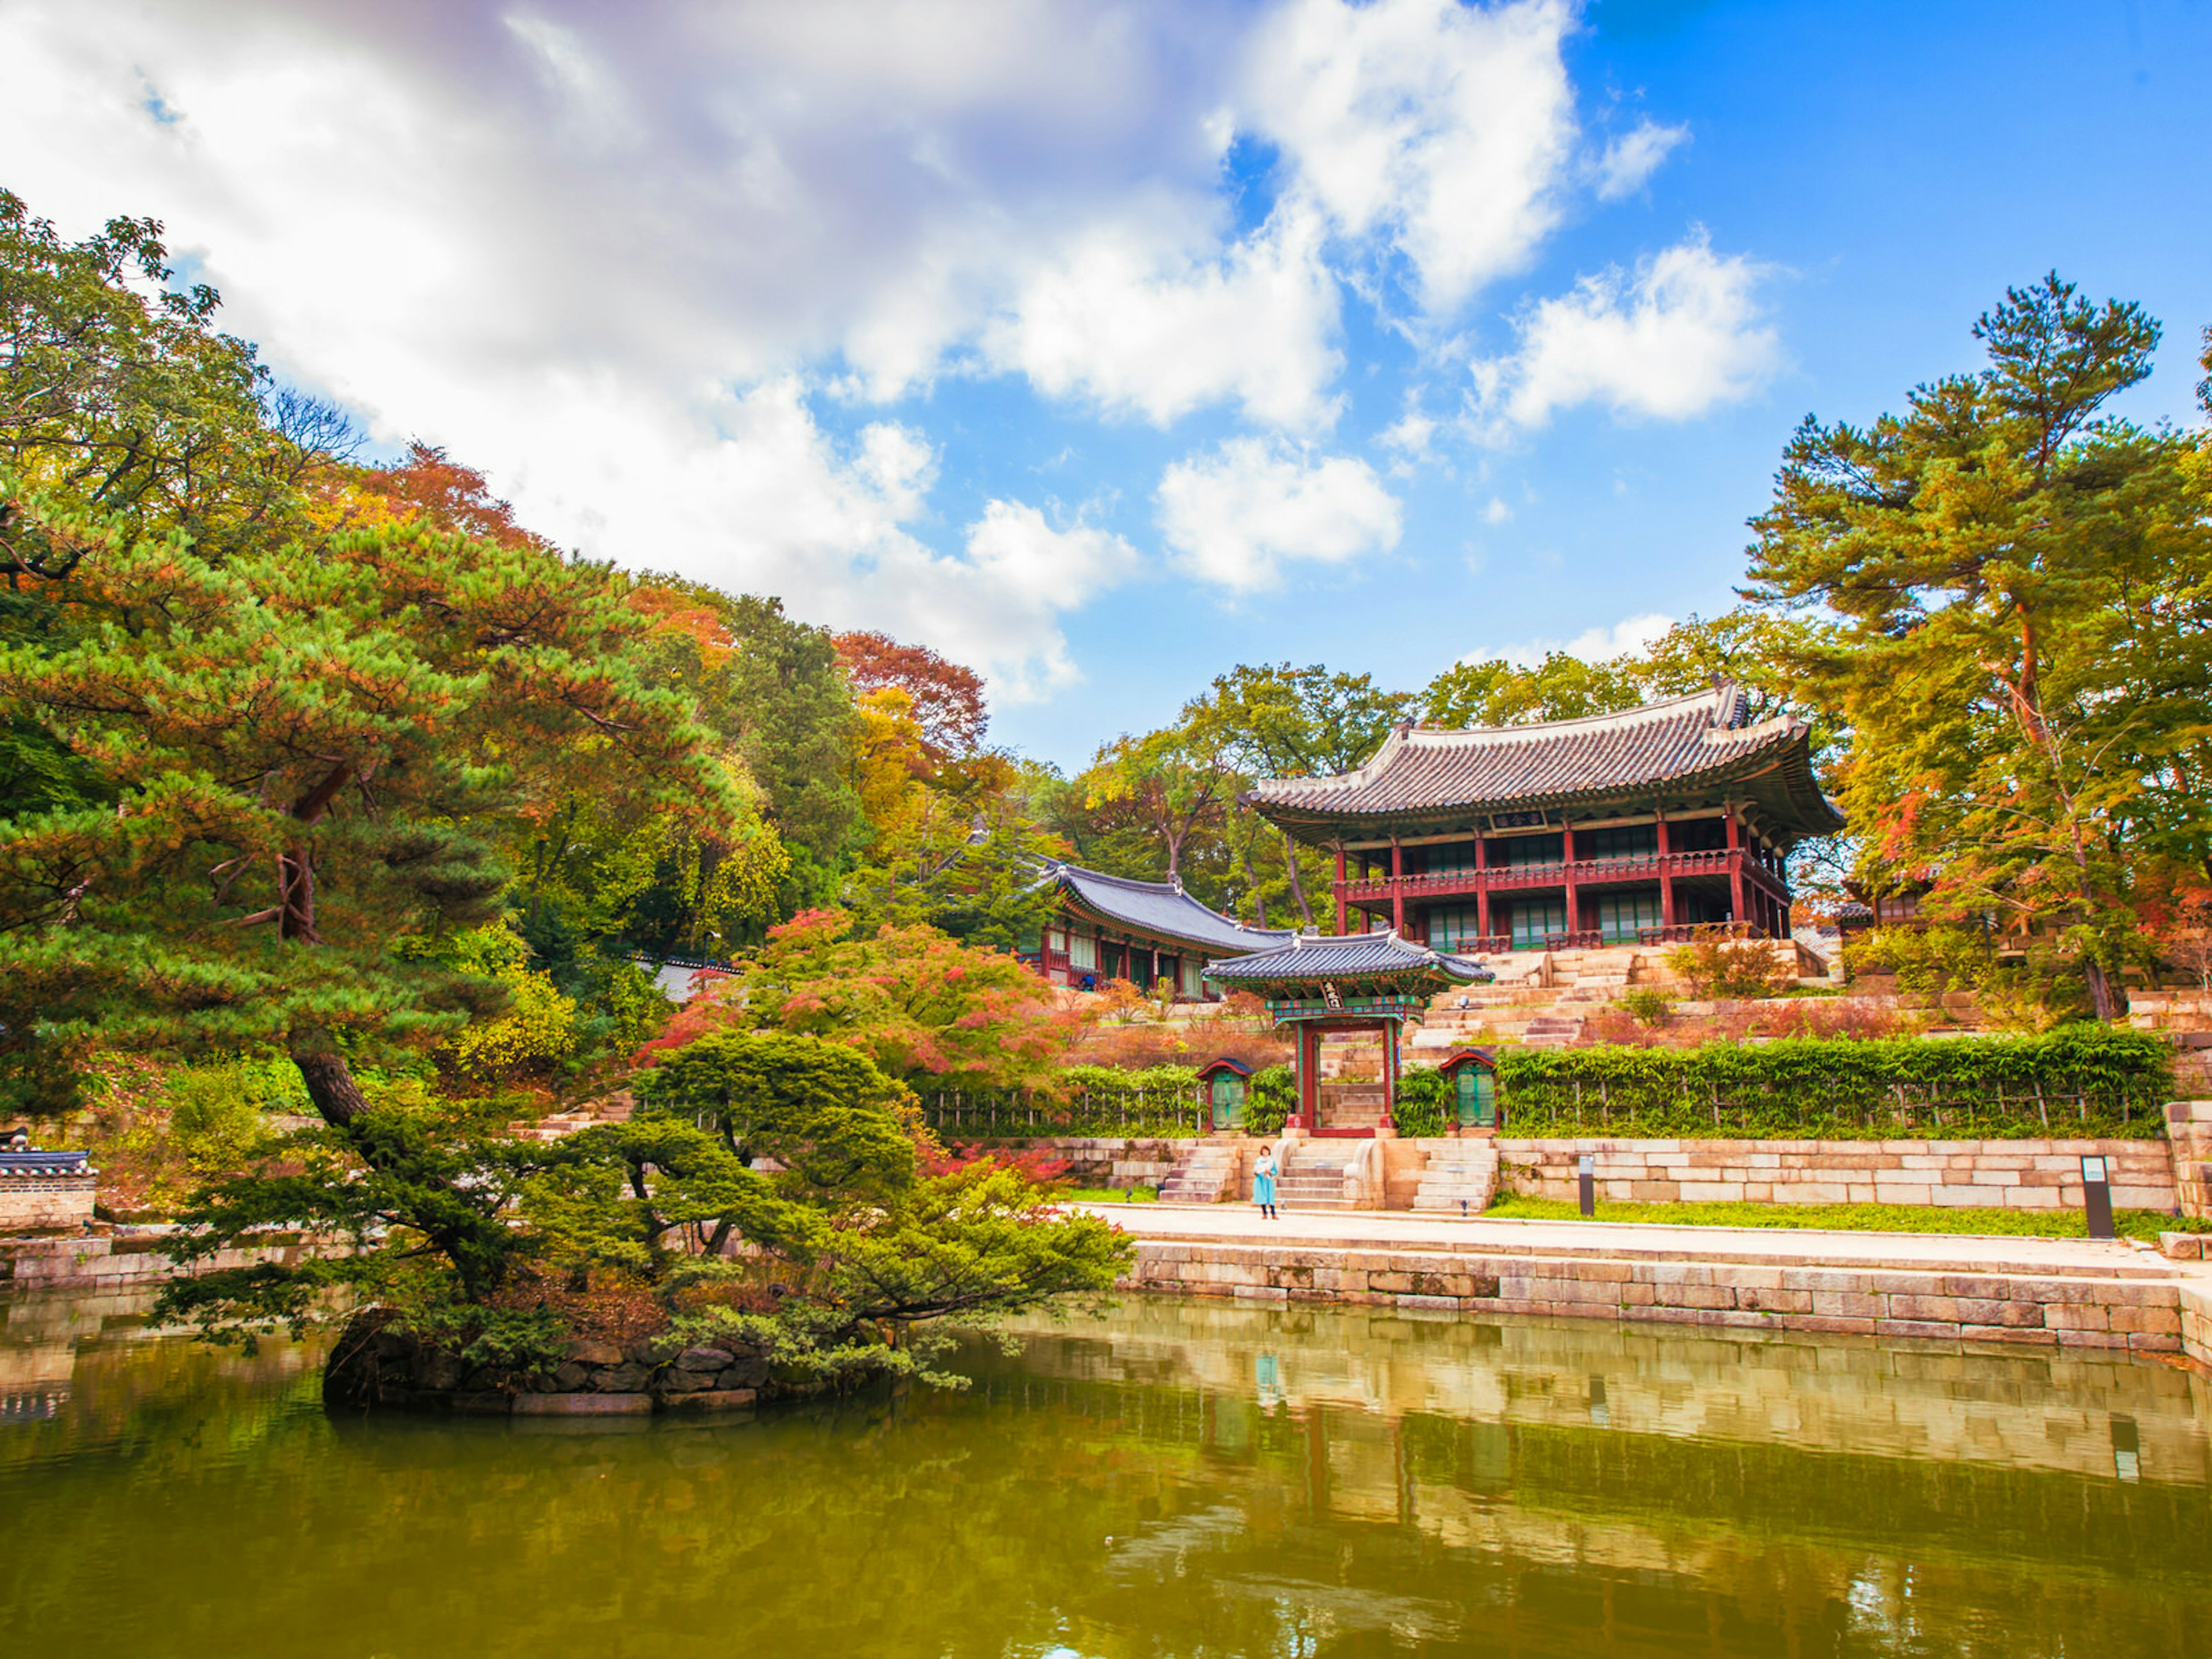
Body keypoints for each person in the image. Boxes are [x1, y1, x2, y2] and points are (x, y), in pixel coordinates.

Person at [1252, 1148, 1278, 1220]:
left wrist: (1270, 1172)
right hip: (1261, 1180)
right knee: (1262, 1197)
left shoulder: (1271, 1161)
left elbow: (1275, 1171)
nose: (1265, 1153)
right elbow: (1254, 1170)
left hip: (1268, 1180)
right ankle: (1264, 1213)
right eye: (1264, 1152)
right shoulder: (1258, 1161)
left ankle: (1273, 1213)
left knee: (1270, 1197)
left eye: (1266, 1151)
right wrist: (1256, 1172)